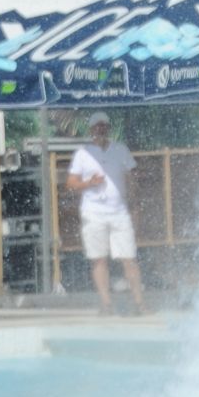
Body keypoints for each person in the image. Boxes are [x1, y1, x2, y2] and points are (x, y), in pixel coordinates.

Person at [65, 112, 145, 315]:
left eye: (103, 126)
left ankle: (138, 303)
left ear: (108, 128)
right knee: (98, 258)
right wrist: (88, 183)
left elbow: (131, 178)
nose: (100, 129)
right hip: (94, 213)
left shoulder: (120, 150)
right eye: (96, 126)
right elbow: (70, 183)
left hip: (119, 212)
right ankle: (107, 304)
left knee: (129, 257)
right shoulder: (83, 154)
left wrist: (135, 205)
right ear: (91, 130)